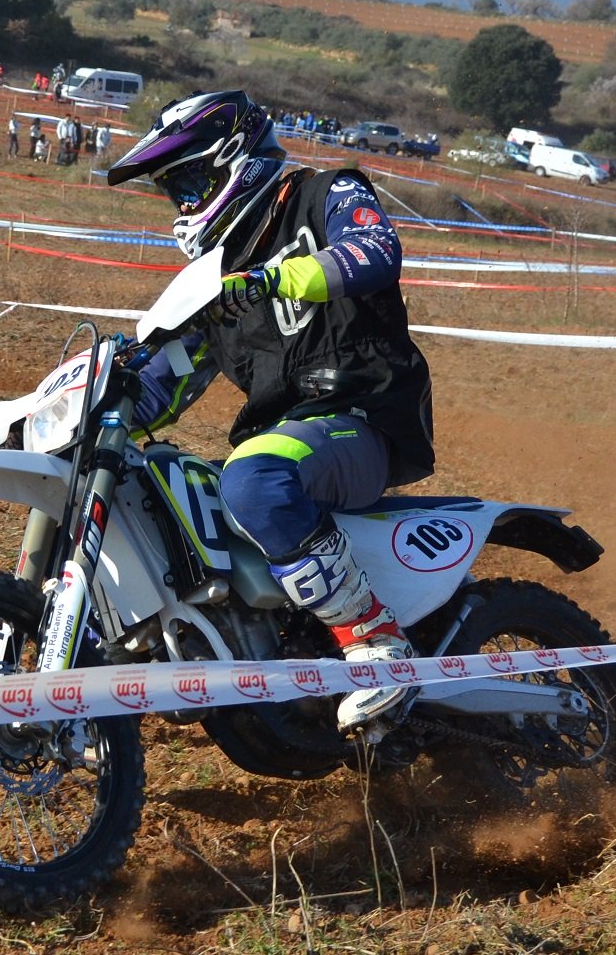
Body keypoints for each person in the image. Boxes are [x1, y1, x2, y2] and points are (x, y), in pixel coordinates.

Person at [105, 89, 434, 730]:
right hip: (290, 437)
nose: (186, 202)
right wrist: (98, 398)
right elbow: (168, 385)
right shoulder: (215, 279)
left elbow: (376, 251)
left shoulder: (323, 194)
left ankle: (377, 642)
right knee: (164, 480)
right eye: (176, 191)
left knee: (252, 477)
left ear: (234, 160)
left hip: (363, 415)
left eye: (193, 181)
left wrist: (280, 277)